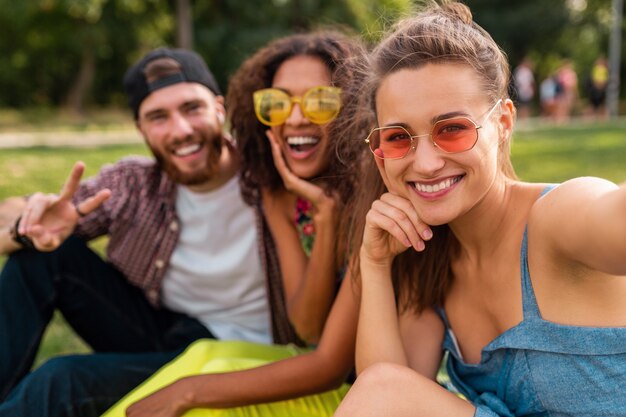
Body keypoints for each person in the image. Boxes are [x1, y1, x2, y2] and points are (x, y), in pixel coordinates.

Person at [334, 2, 626, 416]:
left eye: (451, 129)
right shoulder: (429, 258)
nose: (426, 163)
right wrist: (376, 263)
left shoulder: (557, 216)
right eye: (399, 138)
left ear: (504, 122)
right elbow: (384, 396)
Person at [0, 47, 301, 417]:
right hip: (166, 334)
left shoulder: (273, 178)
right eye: (158, 117)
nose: (181, 130)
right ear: (140, 129)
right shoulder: (135, 184)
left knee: (61, 379)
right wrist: (25, 223)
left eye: (192, 107)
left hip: (240, 353)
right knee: (40, 257)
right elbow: (10, 217)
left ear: (219, 108)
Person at [101, 31, 369, 417]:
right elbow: (308, 328)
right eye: (277, 103)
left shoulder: (375, 198)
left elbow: (330, 367)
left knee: (201, 400)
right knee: (204, 354)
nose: (295, 118)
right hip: (308, 368)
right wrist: (325, 221)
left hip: (362, 395)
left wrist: (190, 392)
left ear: (354, 108)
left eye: (320, 101)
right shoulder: (280, 195)